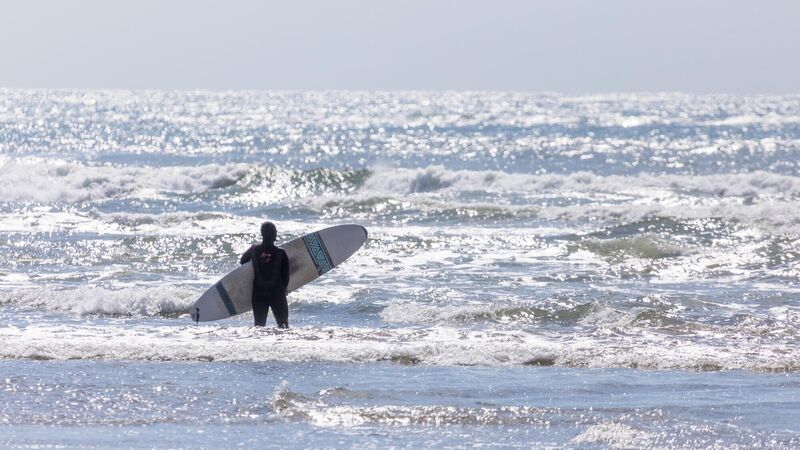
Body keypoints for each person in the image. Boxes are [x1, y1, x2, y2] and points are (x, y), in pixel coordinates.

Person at [240, 222, 290, 328]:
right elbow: (286, 276)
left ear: (262, 234)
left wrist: (252, 251)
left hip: (258, 293)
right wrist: (284, 288)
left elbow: (243, 261)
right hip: (276, 293)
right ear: (274, 235)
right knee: (283, 325)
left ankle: (259, 344)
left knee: (259, 326)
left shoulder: (254, 250)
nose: (276, 233)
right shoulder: (281, 253)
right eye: (275, 231)